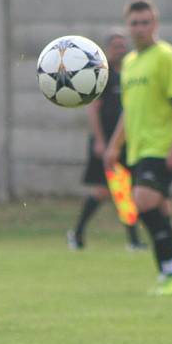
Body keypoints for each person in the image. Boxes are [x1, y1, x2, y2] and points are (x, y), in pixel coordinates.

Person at [105, 0, 172, 296]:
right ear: (127, 27)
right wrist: (114, 146)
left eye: (145, 22)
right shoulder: (129, 63)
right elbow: (128, 111)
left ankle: (171, 271)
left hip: (162, 146)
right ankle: (171, 272)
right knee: (158, 208)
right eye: (134, 23)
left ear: (154, 24)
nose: (140, 28)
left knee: (142, 201)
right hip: (138, 149)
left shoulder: (167, 57)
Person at [67, 31, 146, 251]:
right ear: (107, 50)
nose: (120, 49)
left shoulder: (130, 72)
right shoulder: (103, 75)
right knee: (104, 191)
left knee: (124, 190)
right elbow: (93, 109)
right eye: (116, 46)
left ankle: (132, 240)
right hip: (105, 142)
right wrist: (100, 141)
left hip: (124, 142)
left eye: (123, 45)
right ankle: (77, 233)